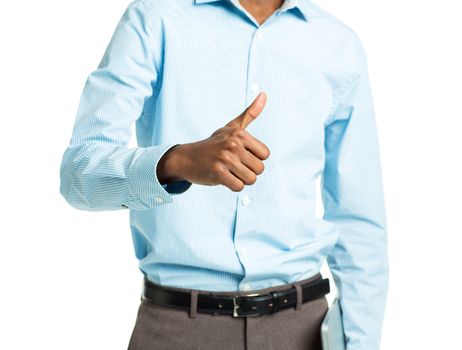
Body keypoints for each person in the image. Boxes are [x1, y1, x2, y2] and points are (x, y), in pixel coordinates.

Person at [59, 0, 389, 349]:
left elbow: (359, 220)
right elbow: (79, 173)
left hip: (301, 328)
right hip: (177, 330)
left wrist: (360, 342)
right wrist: (179, 161)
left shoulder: (337, 44)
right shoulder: (155, 18)